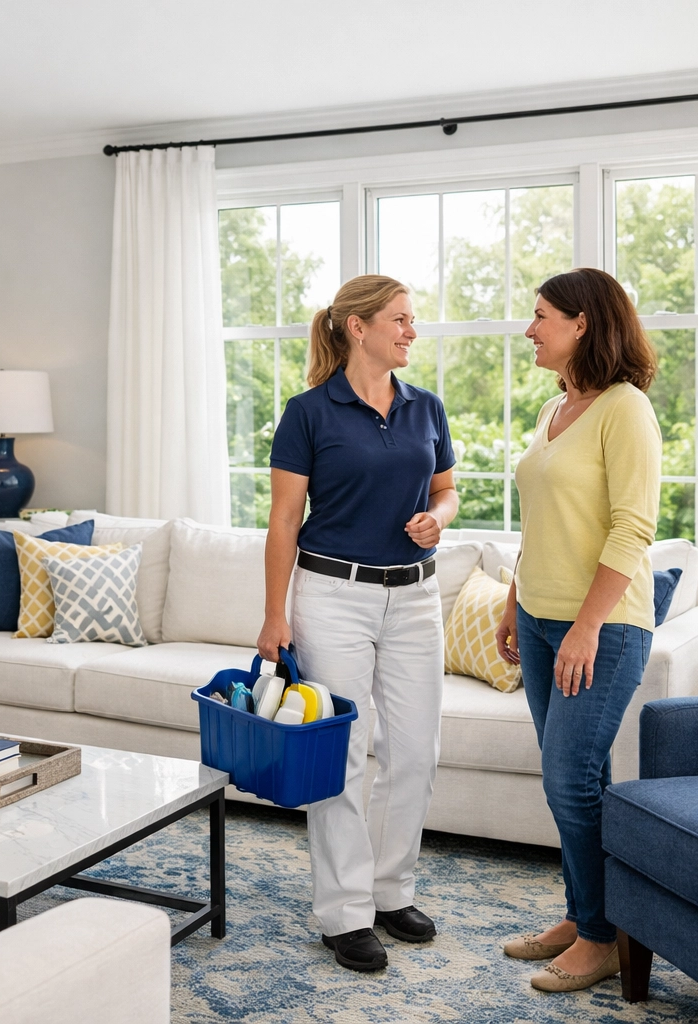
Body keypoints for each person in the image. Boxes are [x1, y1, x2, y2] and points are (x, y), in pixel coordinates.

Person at [259, 274, 458, 973]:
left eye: (412, 320)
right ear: (357, 327)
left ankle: (390, 890)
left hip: (415, 598)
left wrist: (442, 518)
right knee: (345, 754)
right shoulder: (308, 412)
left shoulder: (425, 406)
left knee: (415, 752)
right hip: (331, 596)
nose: (411, 331)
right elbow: (285, 520)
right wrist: (273, 615)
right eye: (400, 319)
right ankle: (344, 913)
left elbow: (446, 488)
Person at [494, 267, 661, 992]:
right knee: (576, 776)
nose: (530, 329)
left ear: (582, 323)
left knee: (569, 779)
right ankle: (586, 913)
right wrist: (512, 596)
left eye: (540, 316)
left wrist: (587, 626)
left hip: (602, 626)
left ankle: (601, 938)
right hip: (537, 618)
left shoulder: (625, 409)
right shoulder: (556, 407)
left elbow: (633, 528)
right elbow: (544, 523)